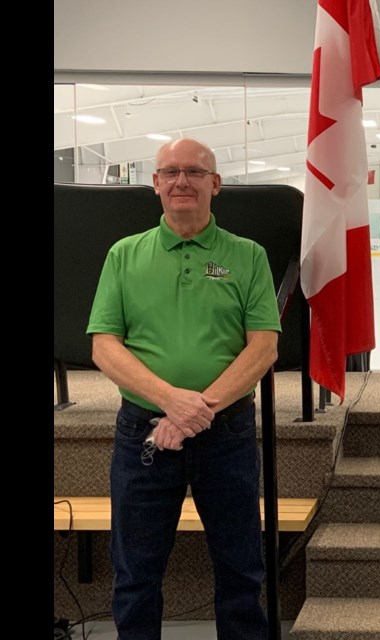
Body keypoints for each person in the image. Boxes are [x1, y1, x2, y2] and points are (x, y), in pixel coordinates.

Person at [87, 138, 281, 639]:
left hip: (227, 437)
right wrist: (169, 402)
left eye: (194, 172)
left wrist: (195, 412)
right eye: (169, 172)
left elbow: (262, 349)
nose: (181, 181)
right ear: (155, 184)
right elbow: (105, 347)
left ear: (215, 184)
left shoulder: (248, 256)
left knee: (241, 571)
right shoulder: (123, 256)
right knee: (135, 575)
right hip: (143, 438)